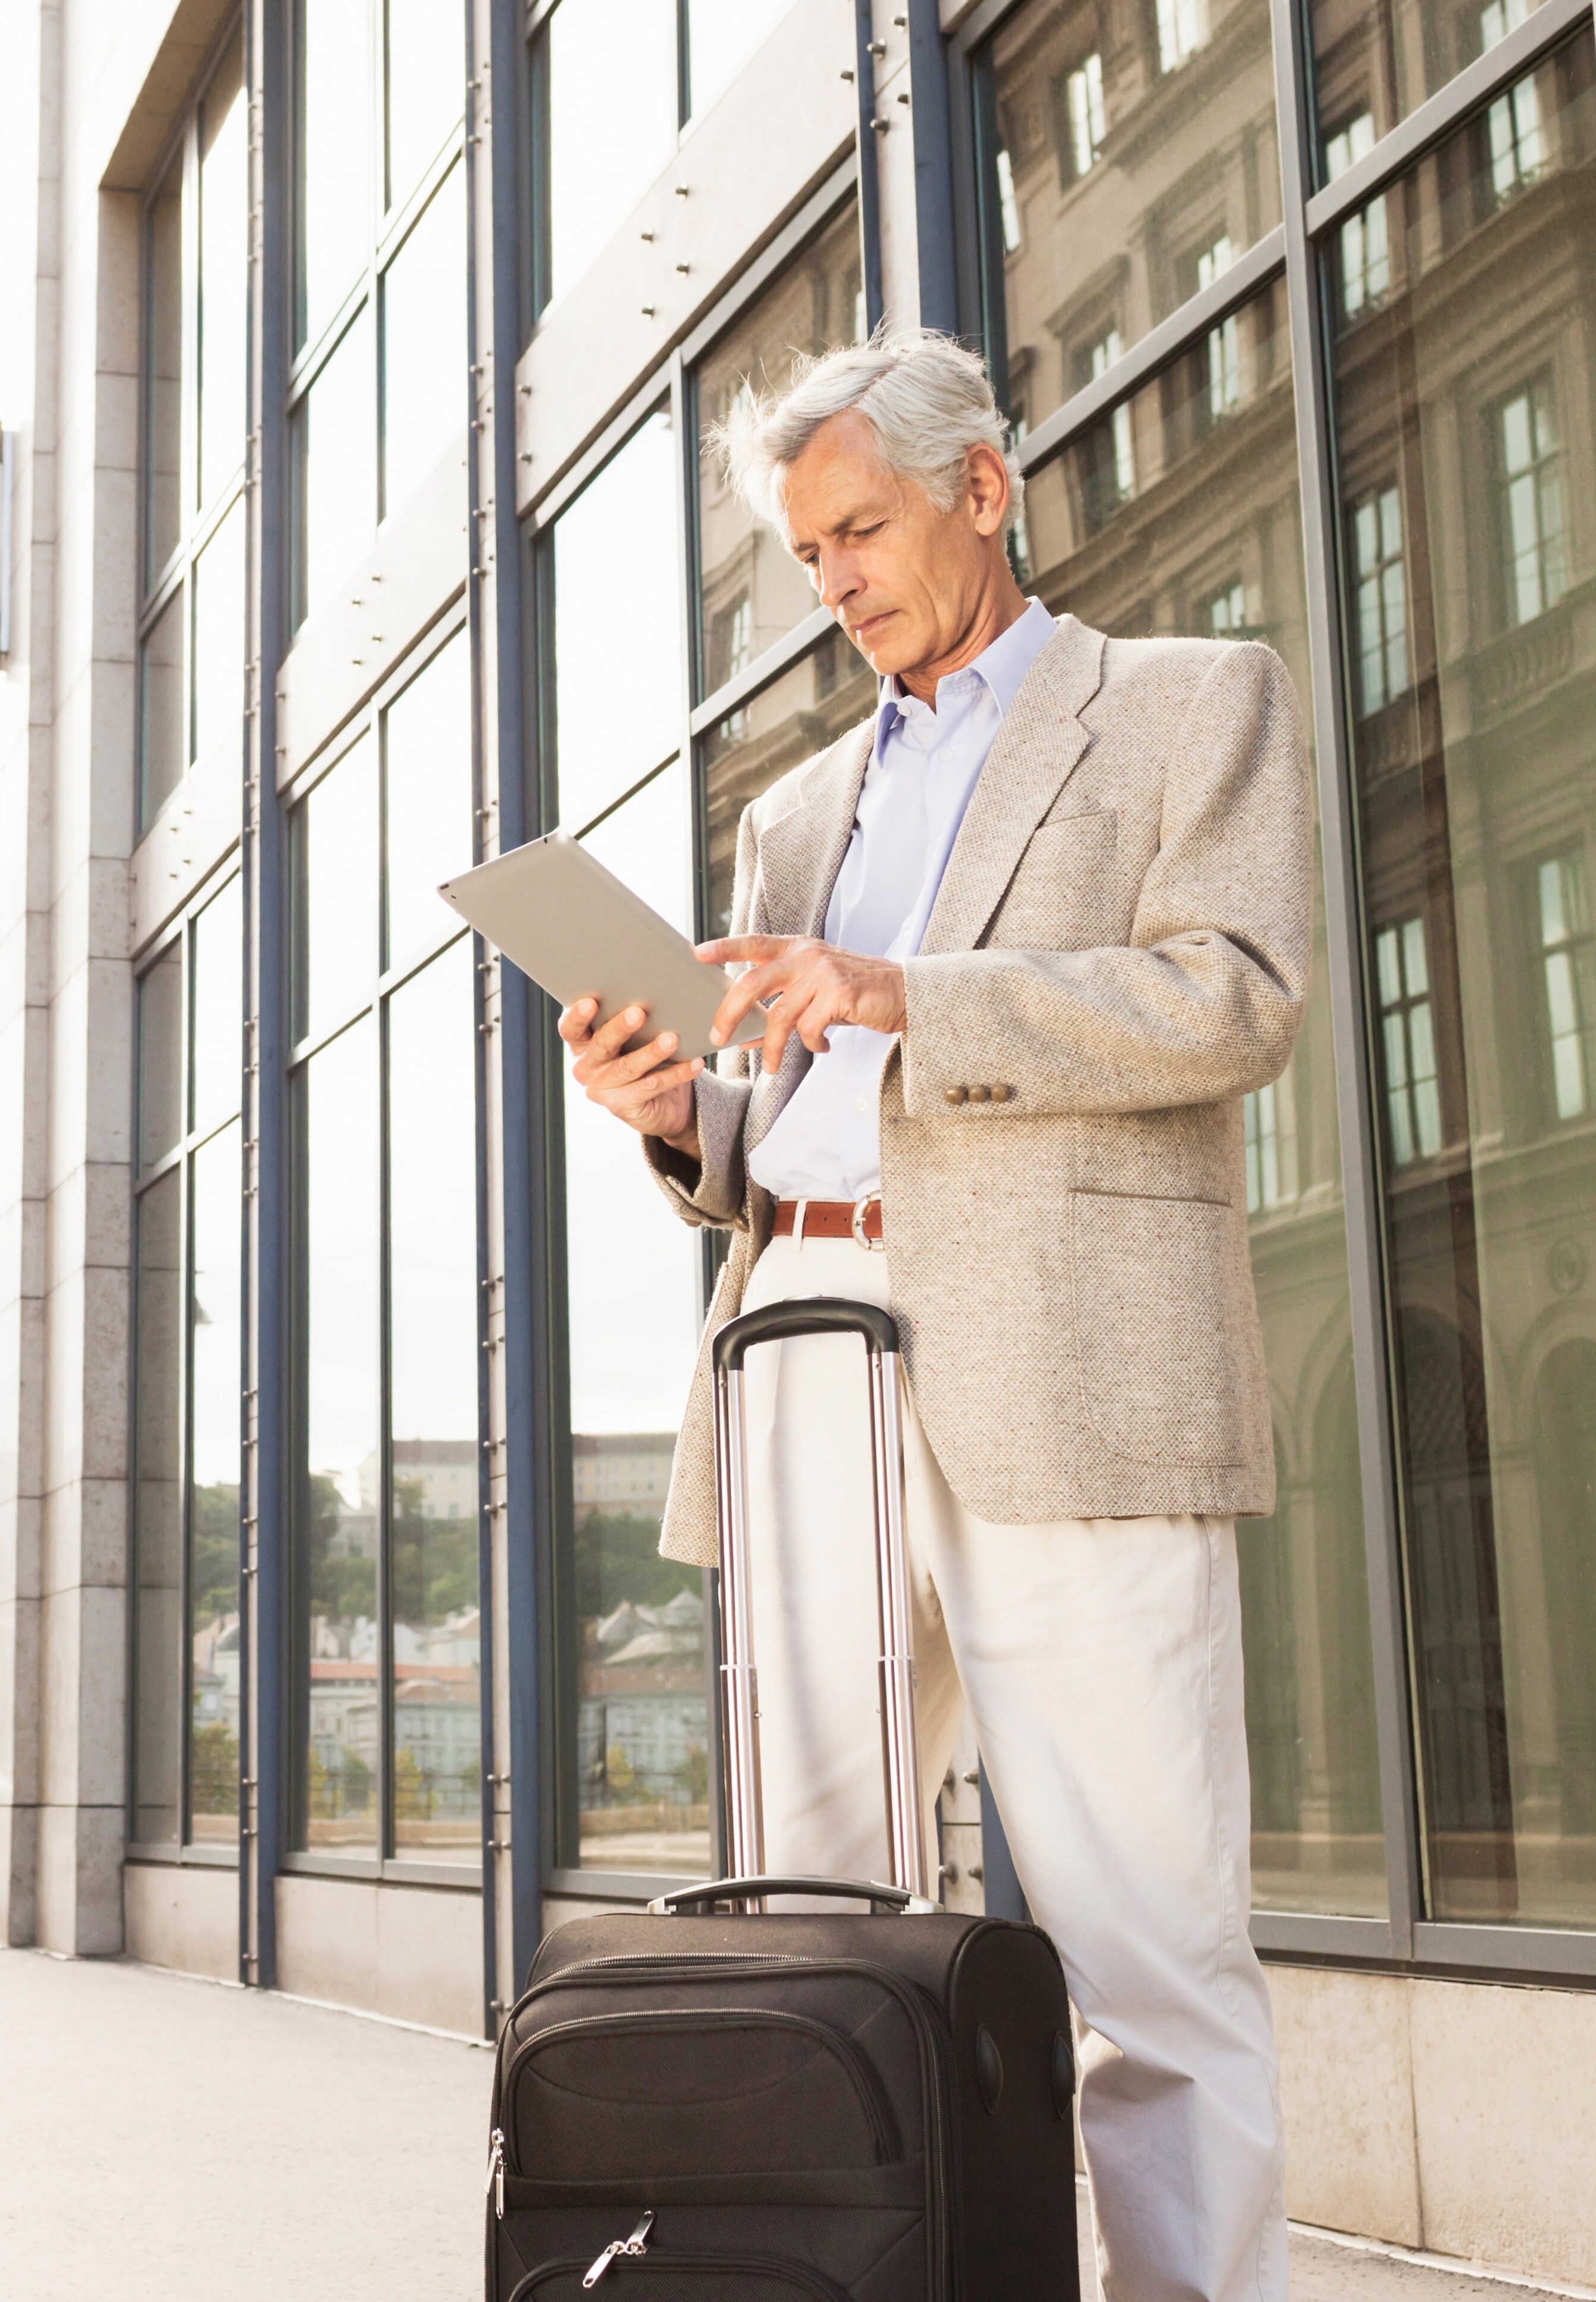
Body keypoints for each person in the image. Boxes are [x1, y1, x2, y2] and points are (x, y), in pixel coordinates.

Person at [559, 327, 1309, 2302]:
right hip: (800, 1338)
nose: (839, 583)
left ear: (985, 488)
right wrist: (676, 1114)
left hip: (1067, 1358)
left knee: (1147, 1938)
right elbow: (793, 1113)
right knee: (815, 1923)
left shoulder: (1184, 704)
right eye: (809, 555)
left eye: (864, 529)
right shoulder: (797, 814)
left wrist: (901, 997)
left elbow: (1236, 997)